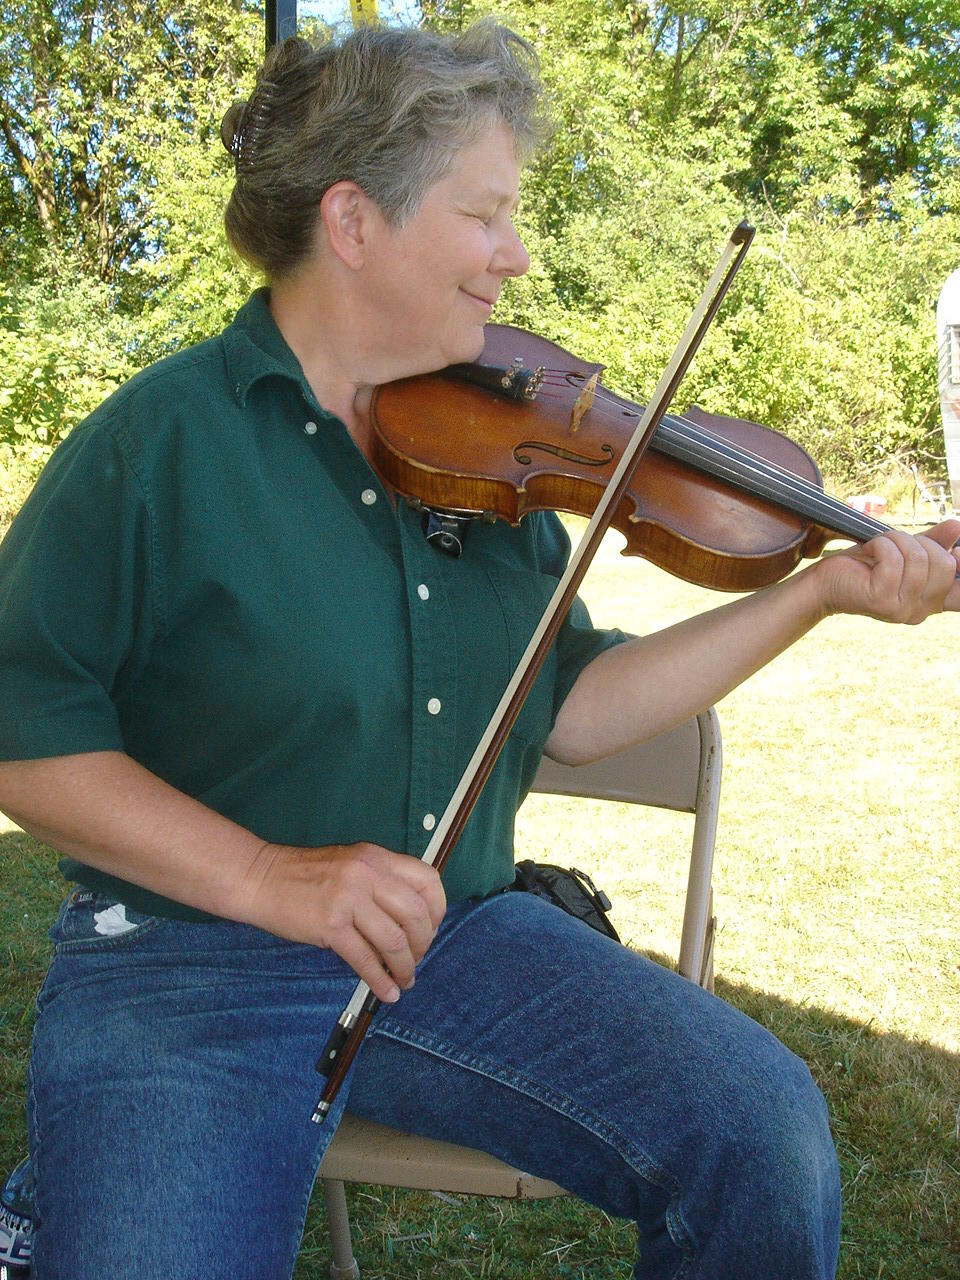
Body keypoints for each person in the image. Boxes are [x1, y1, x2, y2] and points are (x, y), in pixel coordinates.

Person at [0, 20, 957, 1280]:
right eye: (486, 215)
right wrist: (274, 877)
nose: (515, 257)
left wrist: (820, 588)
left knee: (758, 1127)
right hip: (187, 959)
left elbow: (574, 708)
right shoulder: (160, 444)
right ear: (355, 220)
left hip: (452, 939)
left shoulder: (478, 445)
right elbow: (24, 725)